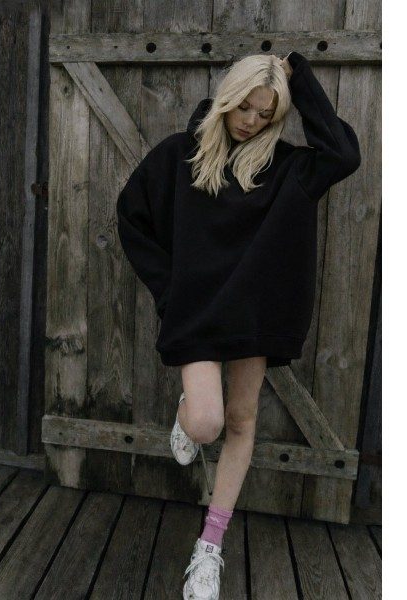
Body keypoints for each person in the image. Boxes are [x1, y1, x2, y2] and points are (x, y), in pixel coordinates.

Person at [116, 52, 361, 600]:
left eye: (265, 113)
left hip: (256, 315)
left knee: (242, 420)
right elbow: (131, 217)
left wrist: (299, 73)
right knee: (207, 423)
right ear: (227, 97)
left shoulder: (289, 168)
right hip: (197, 313)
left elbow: (344, 154)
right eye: (244, 106)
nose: (251, 121)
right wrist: (169, 290)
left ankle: (209, 547)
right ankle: (187, 413)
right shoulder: (179, 156)